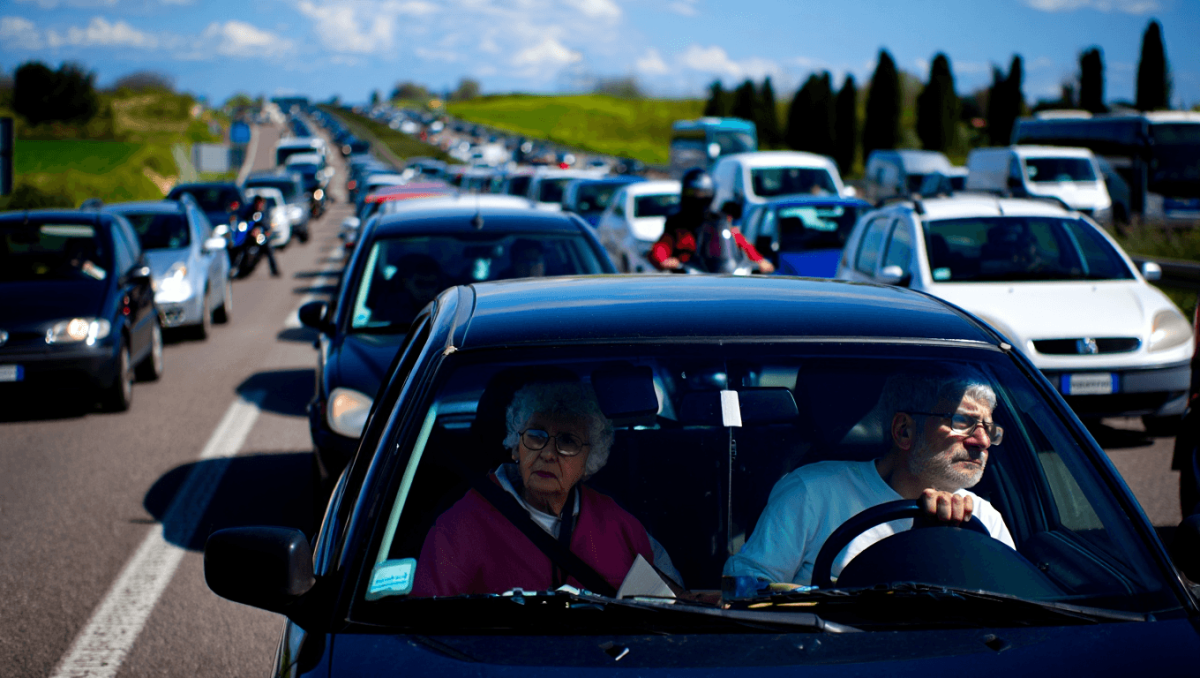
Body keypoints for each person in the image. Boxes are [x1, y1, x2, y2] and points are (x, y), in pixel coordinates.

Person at [724, 371, 1015, 587]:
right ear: (904, 430)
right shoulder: (812, 492)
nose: (982, 441)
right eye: (962, 422)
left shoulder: (983, 520)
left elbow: (1015, 608)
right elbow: (746, 588)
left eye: (989, 428)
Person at [412, 380, 680, 596]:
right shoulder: (459, 527)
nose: (548, 454)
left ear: (590, 461)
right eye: (536, 436)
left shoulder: (620, 526)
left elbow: (674, 606)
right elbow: (424, 625)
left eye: (568, 441)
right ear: (515, 447)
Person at [649, 169, 773, 273]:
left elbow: (740, 241)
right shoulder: (676, 224)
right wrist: (665, 261)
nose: (697, 197)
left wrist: (759, 261)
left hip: (721, 275)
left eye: (702, 193)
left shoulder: (719, 221)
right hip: (686, 282)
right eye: (693, 193)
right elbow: (661, 248)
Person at [243, 195, 279, 277]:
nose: (259, 206)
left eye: (261, 204)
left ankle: (274, 270)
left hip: (261, 236)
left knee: (269, 250)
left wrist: (267, 232)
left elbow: (268, 225)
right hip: (250, 236)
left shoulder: (266, 212)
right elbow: (245, 221)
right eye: (258, 204)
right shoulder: (249, 211)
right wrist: (251, 230)